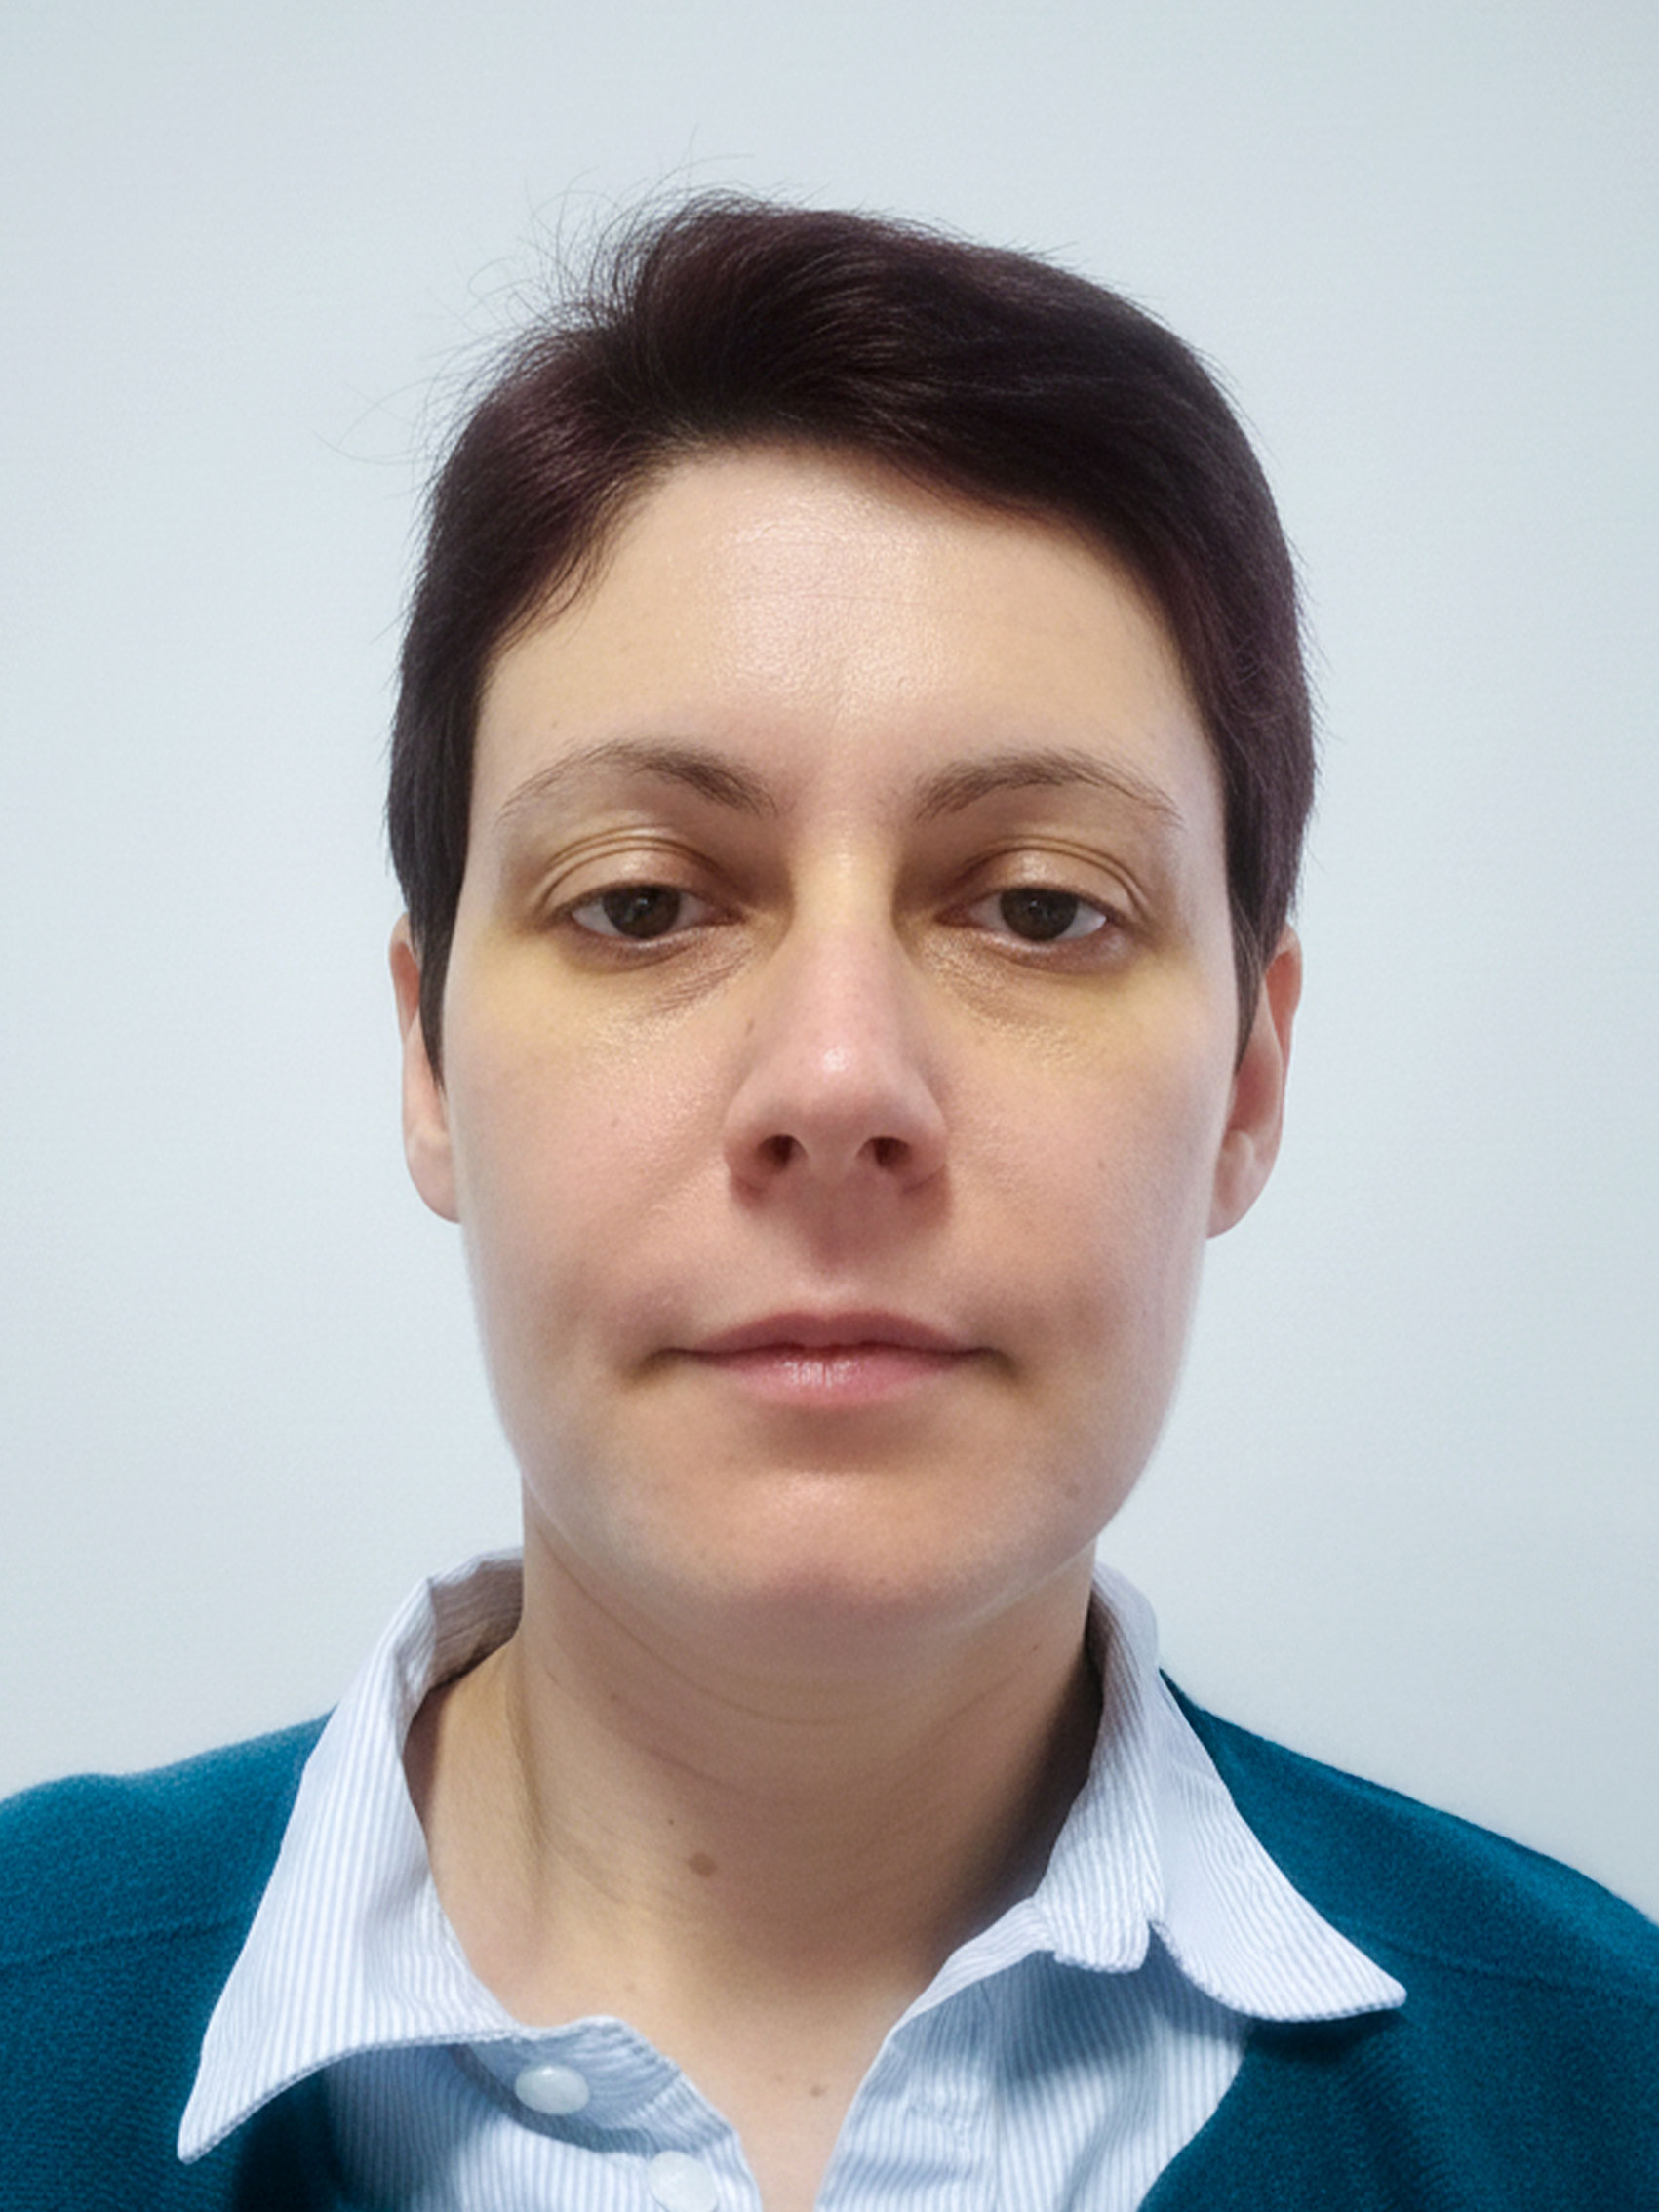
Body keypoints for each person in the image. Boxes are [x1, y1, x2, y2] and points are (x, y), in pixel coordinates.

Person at [2, 196, 1654, 2212]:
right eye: (641, 904)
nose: (838, 1084)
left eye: (1036, 908)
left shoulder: (1607, 2094)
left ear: (1248, 1077)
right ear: (427, 1062)